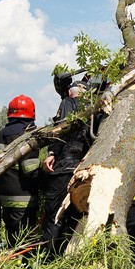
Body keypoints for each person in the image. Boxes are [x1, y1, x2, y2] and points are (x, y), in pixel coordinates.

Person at [41, 76, 92, 255]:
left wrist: (51, 153)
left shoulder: (68, 103)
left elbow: (62, 129)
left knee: (54, 216)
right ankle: (71, 256)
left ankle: (47, 259)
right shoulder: (95, 108)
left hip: (64, 167)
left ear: (71, 92)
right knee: (76, 218)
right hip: (86, 169)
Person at [0, 95, 40, 248]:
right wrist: (47, 180)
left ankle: (11, 266)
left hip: (5, 196)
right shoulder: (28, 132)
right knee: (24, 243)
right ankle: (23, 268)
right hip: (24, 198)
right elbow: (30, 169)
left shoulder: (1, 134)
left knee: (12, 239)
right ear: (31, 113)